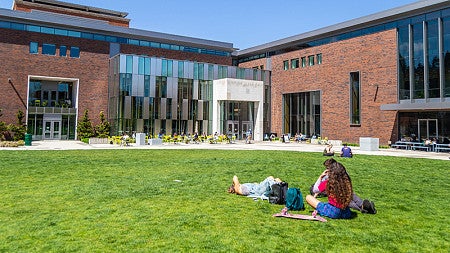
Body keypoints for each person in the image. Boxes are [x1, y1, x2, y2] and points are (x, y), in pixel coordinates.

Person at [309, 158, 376, 214]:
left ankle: (362, 207)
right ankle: (363, 206)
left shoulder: (328, 181)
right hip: (346, 210)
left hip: (335, 209)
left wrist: (321, 176)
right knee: (349, 197)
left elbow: (315, 189)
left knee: (309, 197)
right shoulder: (345, 179)